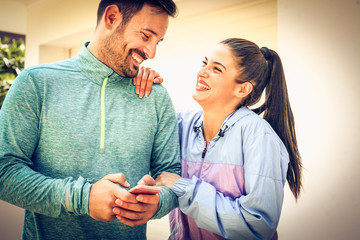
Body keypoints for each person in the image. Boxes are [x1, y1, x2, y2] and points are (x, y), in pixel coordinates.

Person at [0, 0, 181, 239]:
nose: (152, 52)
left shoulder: (156, 96)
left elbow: (171, 173)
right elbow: (4, 171)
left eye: (158, 42)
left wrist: (157, 202)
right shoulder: (36, 83)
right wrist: (81, 198)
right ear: (112, 17)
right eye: (146, 36)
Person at [134, 38, 303, 239]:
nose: (202, 72)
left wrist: (183, 186)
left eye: (216, 69)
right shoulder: (180, 124)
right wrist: (141, 84)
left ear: (242, 89)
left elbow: (258, 225)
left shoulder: (260, 137)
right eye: (205, 63)